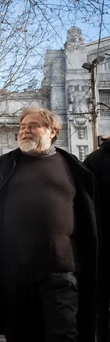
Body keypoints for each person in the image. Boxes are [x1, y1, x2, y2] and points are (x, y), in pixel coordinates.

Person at [0, 107, 97, 342]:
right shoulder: (5, 165)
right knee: (21, 335)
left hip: (61, 269)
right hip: (16, 270)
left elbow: (91, 212)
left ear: (52, 131)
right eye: (22, 127)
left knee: (63, 335)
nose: (25, 131)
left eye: (33, 126)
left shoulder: (72, 166)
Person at [84, 135, 110, 342]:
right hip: (100, 248)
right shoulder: (94, 161)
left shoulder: (94, 160)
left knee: (101, 313)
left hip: (100, 248)